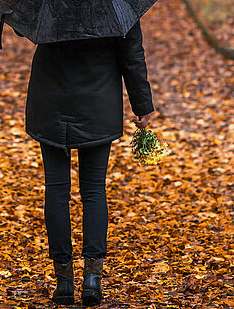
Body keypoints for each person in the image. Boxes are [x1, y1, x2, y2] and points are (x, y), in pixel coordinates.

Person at [24, 19, 154, 306]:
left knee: (56, 188)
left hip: (50, 99)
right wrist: (142, 105)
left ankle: (64, 282)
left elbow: (25, 26)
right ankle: (92, 280)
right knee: (94, 190)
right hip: (98, 100)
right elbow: (132, 54)